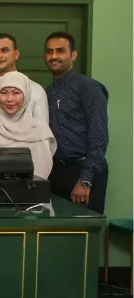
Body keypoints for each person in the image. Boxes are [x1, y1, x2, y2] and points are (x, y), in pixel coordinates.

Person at [44, 32, 109, 213]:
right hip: (57, 172)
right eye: (49, 52)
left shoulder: (89, 88)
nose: (54, 56)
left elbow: (99, 136)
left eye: (60, 51)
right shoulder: (47, 92)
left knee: (85, 232)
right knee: (58, 233)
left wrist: (85, 181)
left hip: (84, 171)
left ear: (73, 55)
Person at [0, 71, 57, 179]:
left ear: (26, 96)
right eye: (4, 92)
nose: (9, 99)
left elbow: (42, 169)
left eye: (16, 93)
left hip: (30, 191)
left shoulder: (40, 130)